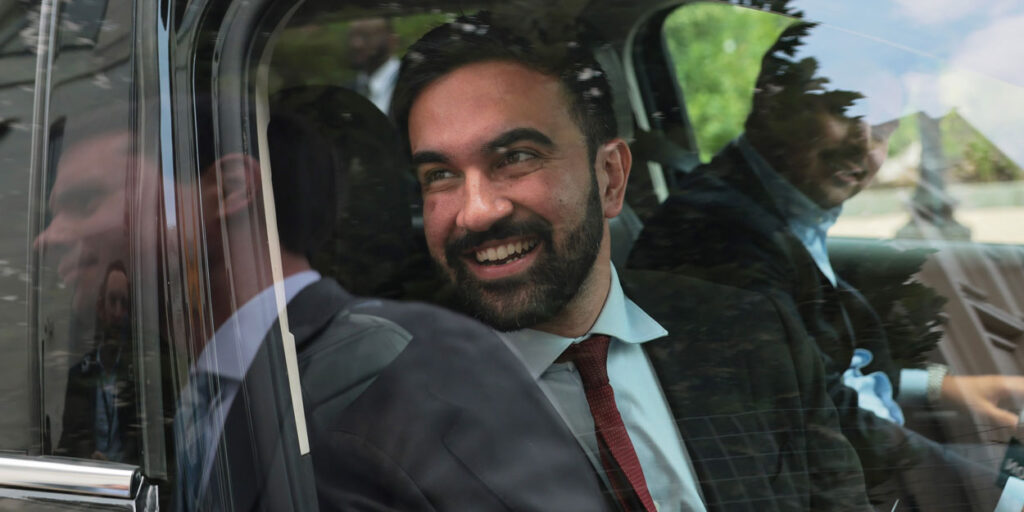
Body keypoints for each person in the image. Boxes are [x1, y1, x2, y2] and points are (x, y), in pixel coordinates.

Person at [368, 12, 870, 511]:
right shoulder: (385, 439)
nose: (476, 213)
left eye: (516, 157)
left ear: (610, 177)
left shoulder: (754, 335)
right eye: (440, 174)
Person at [628, 22, 1012, 509]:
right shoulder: (717, 241)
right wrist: (997, 495)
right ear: (773, 102)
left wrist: (939, 386)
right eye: (848, 110)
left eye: (888, 125)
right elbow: (817, 420)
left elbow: (824, 365)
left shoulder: (772, 207)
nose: (866, 144)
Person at [55, 260, 140, 463]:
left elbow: (147, 441)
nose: (118, 312)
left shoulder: (140, 374)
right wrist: (89, 459)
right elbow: (70, 440)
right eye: (113, 301)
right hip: (91, 478)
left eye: (124, 303)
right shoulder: (80, 375)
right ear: (101, 308)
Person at [348, 17, 400, 113]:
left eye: (366, 36)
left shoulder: (412, 85)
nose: (356, 44)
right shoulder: (348, 91)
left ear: (392, 41)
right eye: (352, 36)